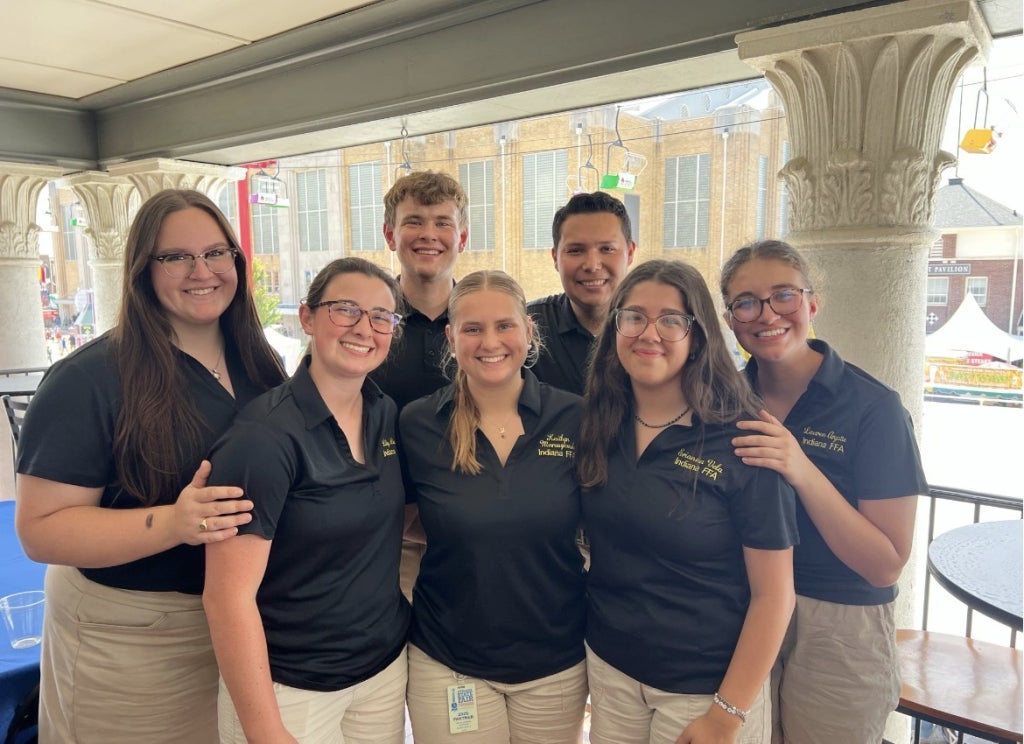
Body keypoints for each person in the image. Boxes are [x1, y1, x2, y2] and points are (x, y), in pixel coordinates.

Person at [14, 189, 286, 743]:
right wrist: (173, 523)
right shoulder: (87, 380)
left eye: (216, 252)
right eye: (176, 257)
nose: (201, 270)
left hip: (243, 629)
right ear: (143, 268)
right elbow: (41, 531)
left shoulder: (261, 363)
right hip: (132, 637)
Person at [578, 259, 797, 744]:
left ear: (697, 335)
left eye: (671, 320)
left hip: (705, 692)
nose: (648, 333)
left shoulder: (744, 438)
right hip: (612, 675)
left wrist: (726, 713)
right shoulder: (599, 424)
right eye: (633, 316)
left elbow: (775, 595)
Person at [720, 240, 926, 744]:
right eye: (746, 302)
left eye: (783, 295)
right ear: (730, 319)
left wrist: (801, 468)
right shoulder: (725, 400)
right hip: (742, 612)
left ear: (812, 303)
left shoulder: (873, 408)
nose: (766, 314)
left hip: (839, 622)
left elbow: (884, 563)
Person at [203, 258, 410, 744]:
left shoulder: (385, 413)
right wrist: (264, 728)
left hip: (379, 674)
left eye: (382, 317)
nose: (365, 328)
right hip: (290, 688)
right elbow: (227, 598)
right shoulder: (263, 438)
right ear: (308, 317)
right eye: (346, 310)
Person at [400, 270, 588, 744]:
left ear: (528, 330)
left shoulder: (576, 417)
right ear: (451, 336)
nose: (490, 342)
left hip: (555, 662)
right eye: (472, 328)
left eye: (504, 326)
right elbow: (402, 520)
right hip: (449, 659)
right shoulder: (418, 424)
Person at [371, 170, 470, 600]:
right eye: (414, 221)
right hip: (382, 544)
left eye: (442, 222)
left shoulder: (486, 326)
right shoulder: (364, 323)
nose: (428, 234)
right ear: (391, 234)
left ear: (462, 238)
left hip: (476, 538)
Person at [529, 191, 637, 395]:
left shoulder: (654, 331)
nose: (592, 265)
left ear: (630, 253)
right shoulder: (528, 329)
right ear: (555, 257)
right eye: (575, 251)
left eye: (607, 249)